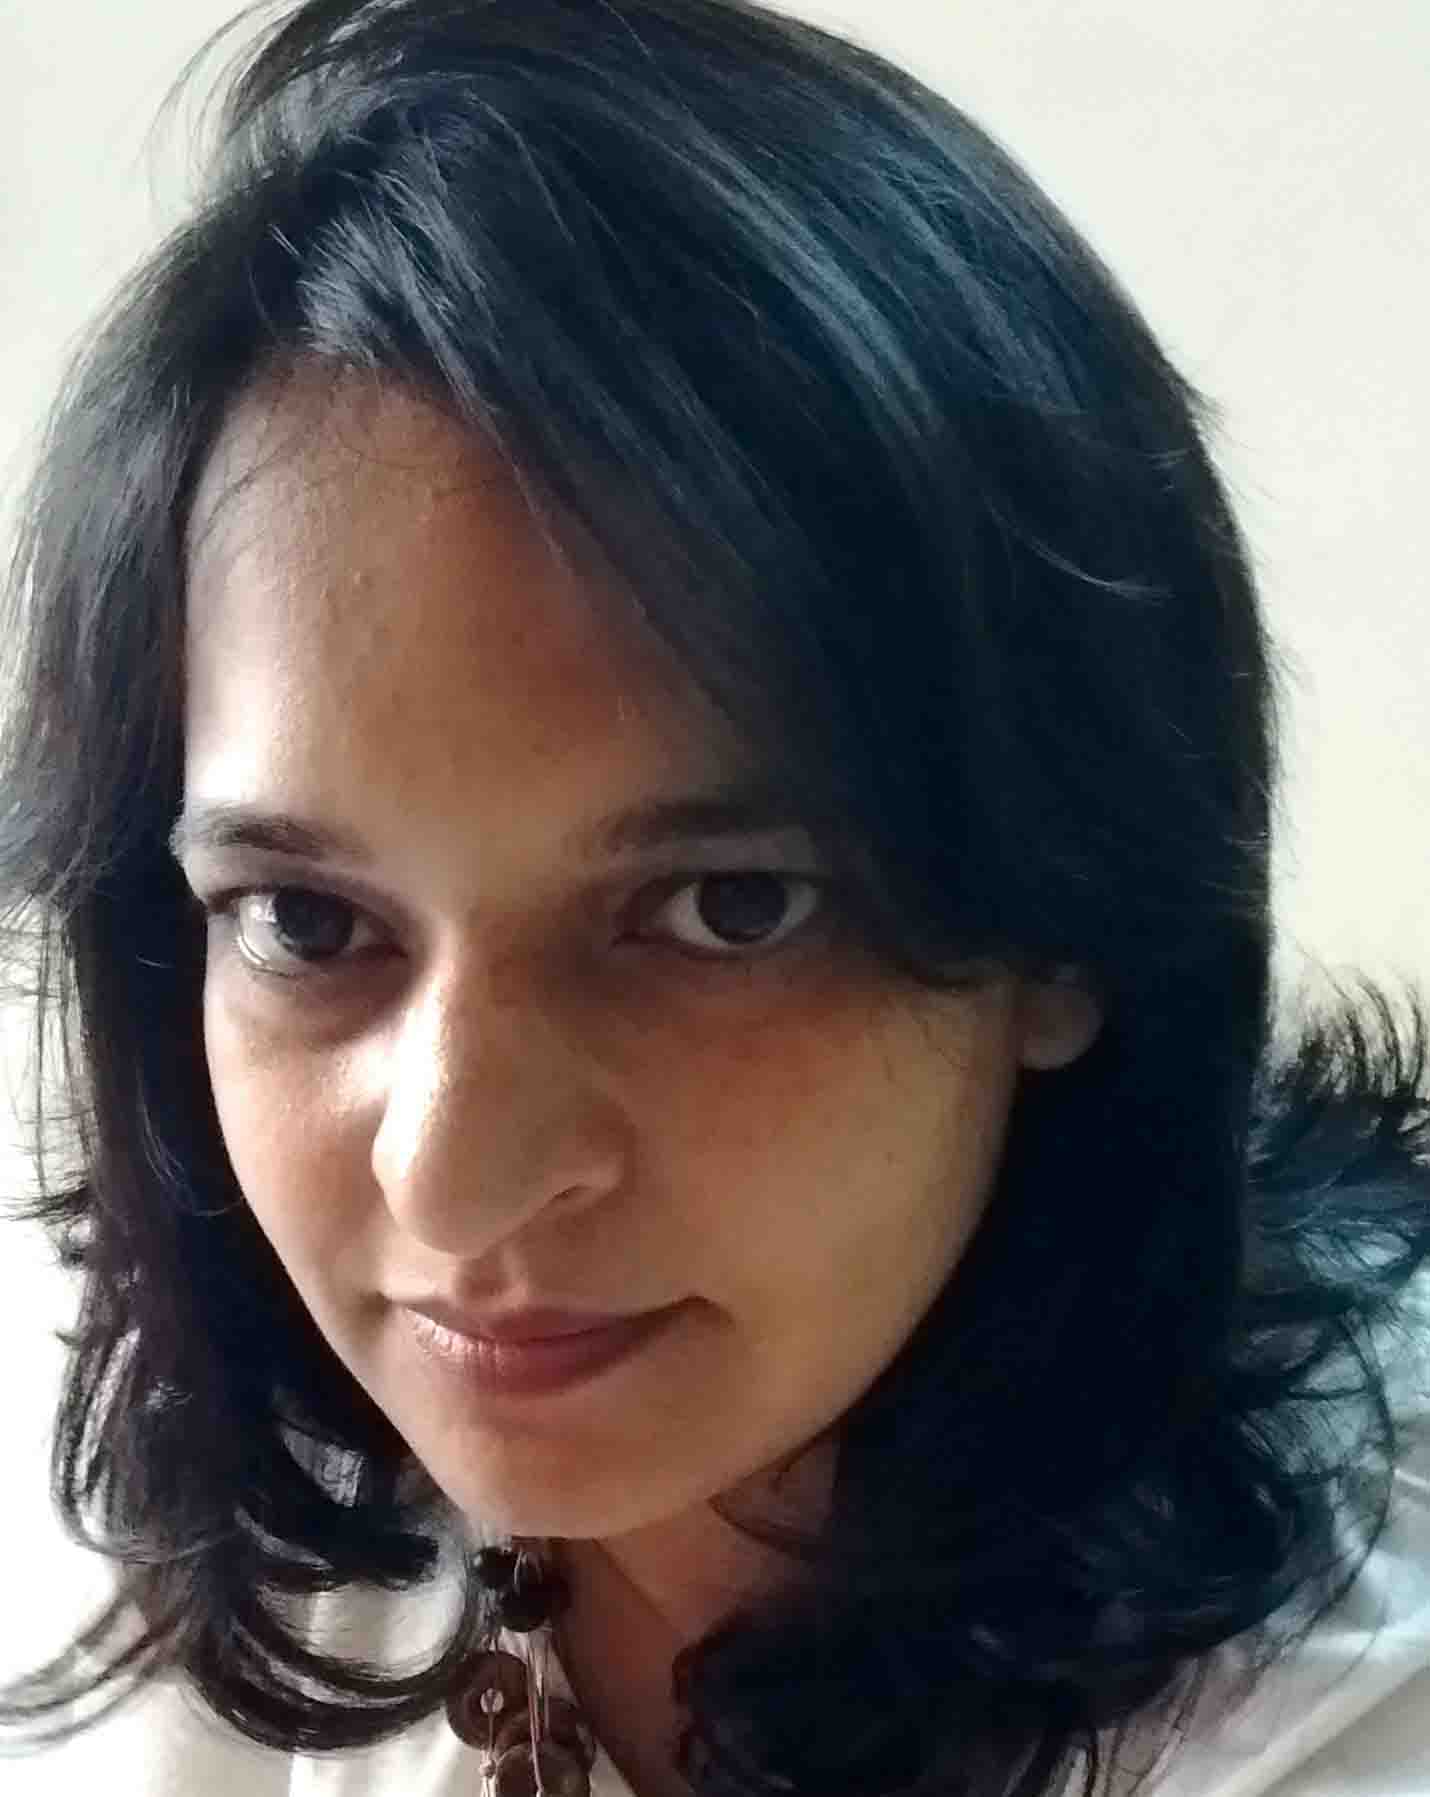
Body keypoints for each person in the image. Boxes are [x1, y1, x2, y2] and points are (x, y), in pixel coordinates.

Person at [0, 1, 1426, 1793]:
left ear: (1061, 920)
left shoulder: (1355, 1712)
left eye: (723, 909)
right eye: (306, 922)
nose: (449, 1177)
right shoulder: (240, 1476)